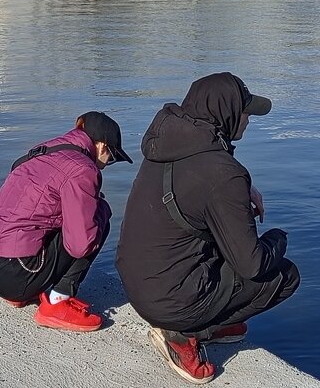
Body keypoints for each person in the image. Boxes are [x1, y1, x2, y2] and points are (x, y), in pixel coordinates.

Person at [116, 73, 299, 384]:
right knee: (285, 275)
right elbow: (252, 265)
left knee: (221, 239)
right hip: (171, 304)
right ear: (227, 114)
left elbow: (199, 183)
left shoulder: (167, 143)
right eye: (244, 112)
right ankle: (188, 333)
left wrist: (243, 187)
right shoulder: (224, 174)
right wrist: (278, 238)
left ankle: (204, 322)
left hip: (138, 285)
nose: (248, 120)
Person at [0, 112, 132, 333]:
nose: (107, 165)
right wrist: (96, 207)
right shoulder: (82, 169)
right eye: (112, 157)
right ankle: (58, 301)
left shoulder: (43, 150)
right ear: (102, 146)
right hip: (16, 274)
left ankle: (23, 292)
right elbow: (81, 245)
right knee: (99, 215)